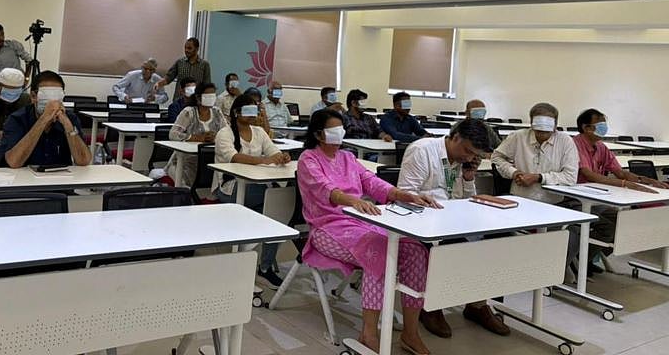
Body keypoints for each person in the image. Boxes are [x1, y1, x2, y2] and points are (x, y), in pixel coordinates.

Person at [297, 108, 439, 353]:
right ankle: (369, 334)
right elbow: (325, 189)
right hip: (327, 227)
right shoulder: (308, 159)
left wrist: (403, 195)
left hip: (362, 222)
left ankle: (411, 332)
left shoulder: (348, 157)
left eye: (340, 128)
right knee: (377, 251)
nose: (339, 133)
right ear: (319, 134)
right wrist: (352, 201)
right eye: (333, 129)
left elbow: (372, 182)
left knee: (415, 250)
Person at [397, 119, 510, 337]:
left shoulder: (463, 161)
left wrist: (468, 178)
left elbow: (465, 199)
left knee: (498, 240)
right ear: (455, 136)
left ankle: (477, 304)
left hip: (452, 221)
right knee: (458, 248)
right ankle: (432, 305)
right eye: (467, 150)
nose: (468, 157)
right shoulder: (422, 151)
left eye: (474, 155)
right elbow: (404, 194)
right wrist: (426, 201)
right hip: (422, 224)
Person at [565, 108, 669, 274]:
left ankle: (585, 259)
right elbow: (589, 174)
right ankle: (579, 262)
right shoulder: (574, 145)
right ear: (586, 127)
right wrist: (624, 184)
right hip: (575, 199)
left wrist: (644, 180)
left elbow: (620, 171)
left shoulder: (601, 147)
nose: (604, 127)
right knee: (608, 228)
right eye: (600, 124)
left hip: (598, 199)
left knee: (624, 222)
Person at [213, 94, 292, 288]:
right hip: (231, 187)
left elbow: (273, 151)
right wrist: (265, 161)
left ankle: (264, 266)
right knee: (277, 202)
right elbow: (234, 157)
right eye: (247, 110)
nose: (252, 115)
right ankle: (257, 263)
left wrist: (282, 157)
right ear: (236, 112)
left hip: (256, 185)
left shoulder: (259, 132)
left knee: (281, 206)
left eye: (254, 110)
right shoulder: (225, 133)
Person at [0, 71, 91, 168]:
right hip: (24, 179)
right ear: (33, 96)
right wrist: (43, 120)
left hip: (60, 178)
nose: (51, 103)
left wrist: (67, 125)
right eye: (46, 97)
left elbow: (83, 160)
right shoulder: (17, 119)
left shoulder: (70, 118)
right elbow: (13, 162)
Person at [491, 102, 578, 203]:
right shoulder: (518, 137)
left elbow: (570, 177)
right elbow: (496, 157)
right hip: (520, 198)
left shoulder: (565, 141)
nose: (542, 134)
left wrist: (539, 178)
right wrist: (513, 172)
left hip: (553, 202)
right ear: (531, 123)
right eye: (538, 130)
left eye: (546, 130)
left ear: (555, 125)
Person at [164, 82, 227, 185]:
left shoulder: (217, 112)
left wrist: (215, 137)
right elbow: (173, 134)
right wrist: (196, 137)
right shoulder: (189, 112)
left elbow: (227, 133)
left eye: (213, 95)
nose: (212, 98)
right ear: (198, 98)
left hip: (208, 161)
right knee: (185, 187)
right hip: (184, 162)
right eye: (208, 96)